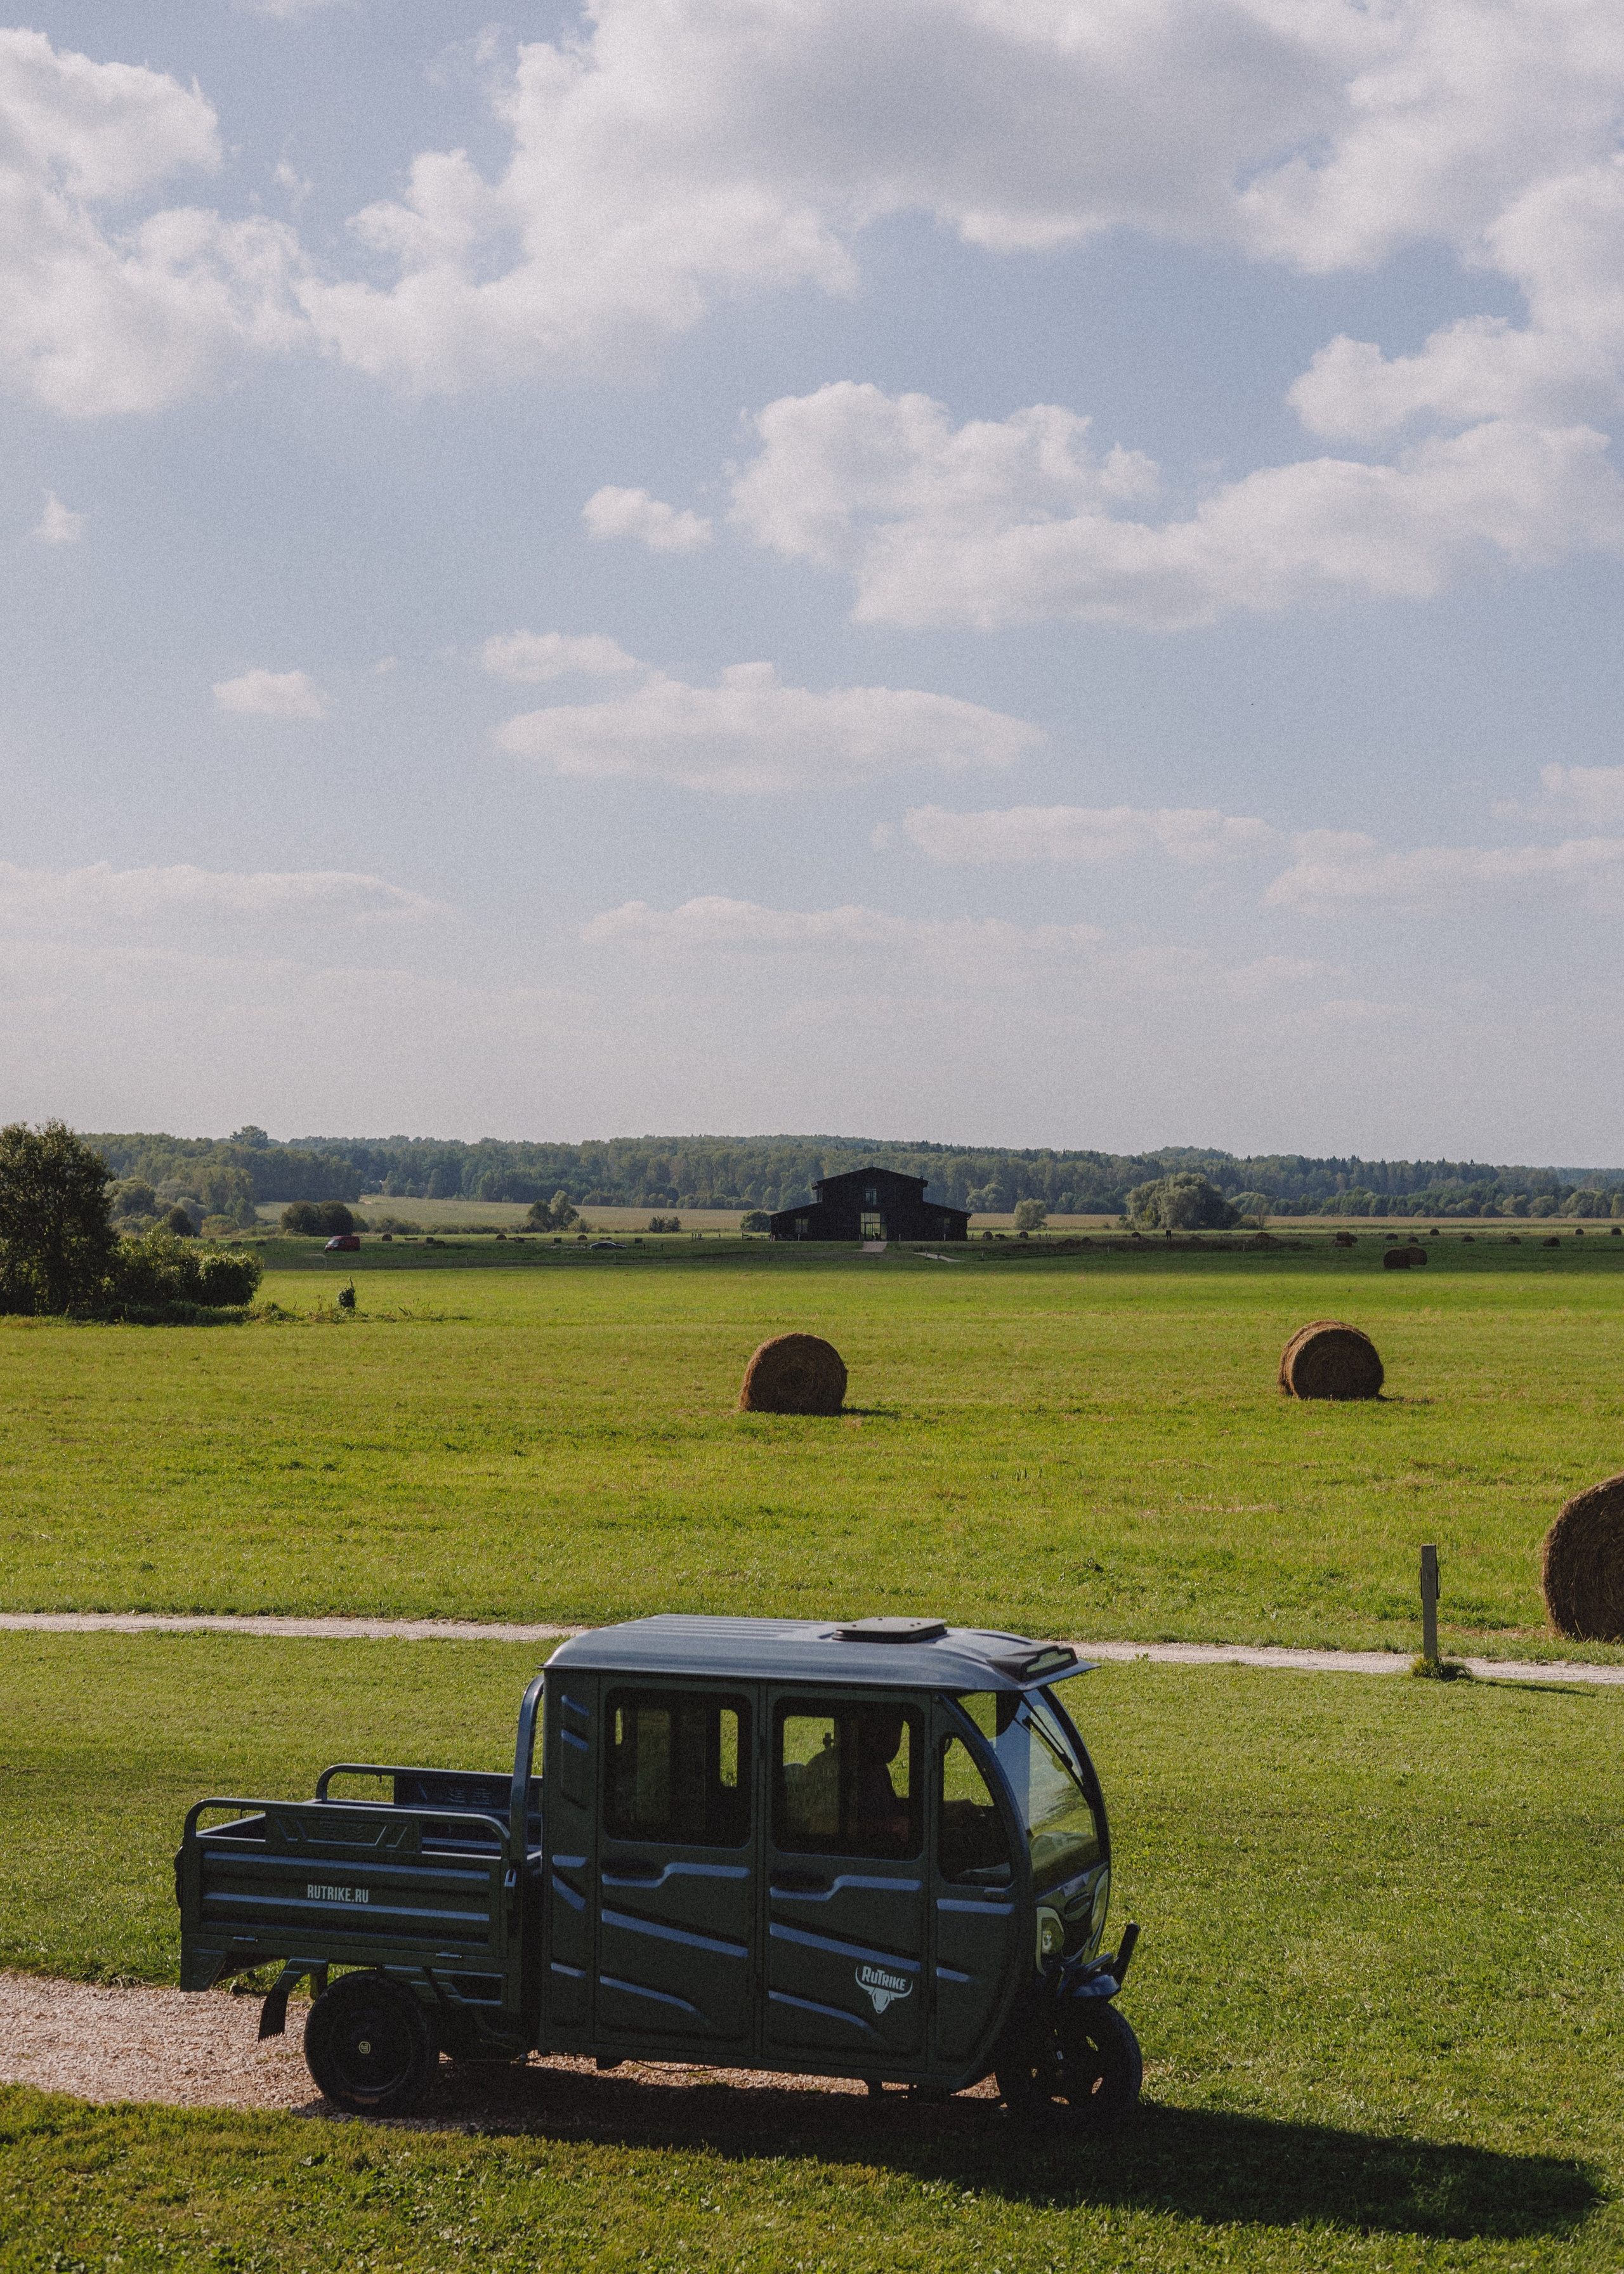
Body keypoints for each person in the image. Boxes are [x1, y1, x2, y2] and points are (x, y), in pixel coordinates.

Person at [850, 1712, 911, 1848]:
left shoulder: (876, 1767)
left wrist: (943, 1810)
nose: (894, 1738)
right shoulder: (832, 1767)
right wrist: (888, 1827)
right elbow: (818, 1824)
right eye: (886, 1729)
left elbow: (891, 1808)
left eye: (897, 1728)